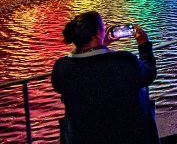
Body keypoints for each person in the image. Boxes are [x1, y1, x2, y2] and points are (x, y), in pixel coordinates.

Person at [51, 11, 158, 144]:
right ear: (97, 33)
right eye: (103, 25)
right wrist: (144, 45)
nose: (105, 26)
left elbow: (90, 70)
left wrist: (102, 45)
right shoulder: (123, 61)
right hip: (127, 134)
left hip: (83, 136)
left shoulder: (62, 68)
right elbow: (149, 74)